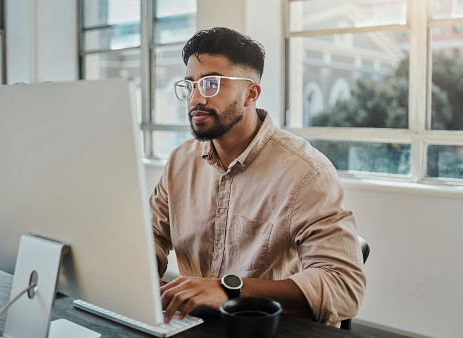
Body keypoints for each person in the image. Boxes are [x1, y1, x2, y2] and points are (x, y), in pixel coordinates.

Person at [150, 27, 366, 327]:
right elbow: (153, 234)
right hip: (193, 325)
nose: (195, 99)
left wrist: (228, 290)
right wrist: (143, 272)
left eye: (211, 84)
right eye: (190, 85)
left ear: (251, 93)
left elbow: (344, 287)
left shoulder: (307, 173)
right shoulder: (179, 162)